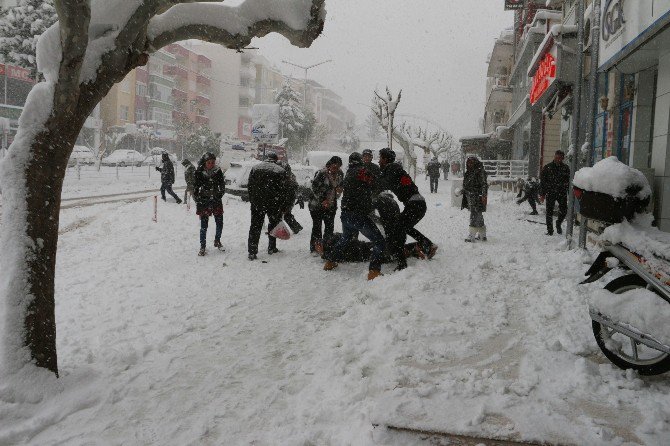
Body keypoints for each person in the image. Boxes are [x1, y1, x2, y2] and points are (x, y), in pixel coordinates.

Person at [323, 152, 385, 281]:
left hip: (346, 215)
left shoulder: (349, 173)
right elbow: (377, 183)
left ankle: (330, 261)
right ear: (360, 160)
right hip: (358, 215)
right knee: (379, 241)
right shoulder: (362, 171)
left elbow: (342, 189)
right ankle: (374, 271)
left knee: (346, 238)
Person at [378, 148, 436, 270]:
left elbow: (382, 183)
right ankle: (427, 245)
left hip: (415, 204)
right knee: (403, 227)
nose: (379, 161)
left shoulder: (392, 168)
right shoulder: (395, 169)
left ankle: (402, 263)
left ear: (386, 159)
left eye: (381, 158)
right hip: (417, 203)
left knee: (397, 230)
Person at [247, 152, 289, 260]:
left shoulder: (255, 168)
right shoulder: (280, 171)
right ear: (275, 160)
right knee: (273, 224)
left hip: (258, 203)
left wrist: (253, 200)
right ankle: (271, 247)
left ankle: (252, 251)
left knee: (255, 226)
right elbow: (284, 190)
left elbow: (250, 186)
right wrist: (283, 205)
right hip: (273, 203)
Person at [374, 191, 437, 260]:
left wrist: (380, 221)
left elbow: (384, 221)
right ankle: (420, 246)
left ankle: (414, 248)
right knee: (405, 228)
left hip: (408, 209)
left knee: (396, 236)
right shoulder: (392, 201)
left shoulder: (378, 201)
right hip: (409, 210)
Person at [308, 156, 343, 253]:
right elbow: (314, 188)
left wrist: (339, 189)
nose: (336, 169)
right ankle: (315, 248)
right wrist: (323, 200)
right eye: (334, 166)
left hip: (331, 205)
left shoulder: (340, 174)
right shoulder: (322, 173)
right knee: (317, 227)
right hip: (316, 205)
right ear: (330, 164)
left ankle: (327, 247)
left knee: (329, 227)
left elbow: (340, 186)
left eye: (338, 166)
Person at [193, 152, 226, 256]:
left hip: (216, 201)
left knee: (220, 223)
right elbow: (195, 188)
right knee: (204, 226)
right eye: (209, 162)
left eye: (213, 162)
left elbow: (222, 185)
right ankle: (202, 246)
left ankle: (217, 240)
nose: (211, 164)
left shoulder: (218, 171)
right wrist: (198, 199)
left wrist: (220, 194)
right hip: (204, 202)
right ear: (205, 162)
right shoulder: (199, 172)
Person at [539, 150, 570, 235]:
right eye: (557, 157)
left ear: (563, 158)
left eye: (560, 158)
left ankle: (558, 223)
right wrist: (542, 194)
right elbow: (543, 182)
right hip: (550, 191)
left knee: (564, 210)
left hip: (562, 192)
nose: (558, 159)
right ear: (554, 157)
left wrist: (569, 194)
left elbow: (568, 182)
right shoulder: (548, 167)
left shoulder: (566, 168)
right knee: (549, 212)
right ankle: (550, 231)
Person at [461, 156, 488, 242]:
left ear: (475, 163)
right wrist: (463, 190)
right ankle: (482, 235)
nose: (469, 164)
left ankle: (471, 236)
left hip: (477, 196)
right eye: (468, 162)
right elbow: (468, 184)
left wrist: (484, 195)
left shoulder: (480, 171)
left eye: (471, 162)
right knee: (478, 215)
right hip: (471, 196)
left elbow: (484, 184)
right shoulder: (469, 172)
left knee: (474, 215)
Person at [280, 161, 303, 234]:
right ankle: (296, 227)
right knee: (286, 214)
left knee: (286, 214)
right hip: (288, 198)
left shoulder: (289, 177)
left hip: (288, 198)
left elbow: (294, 188)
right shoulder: (290, 176)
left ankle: (296, 227)